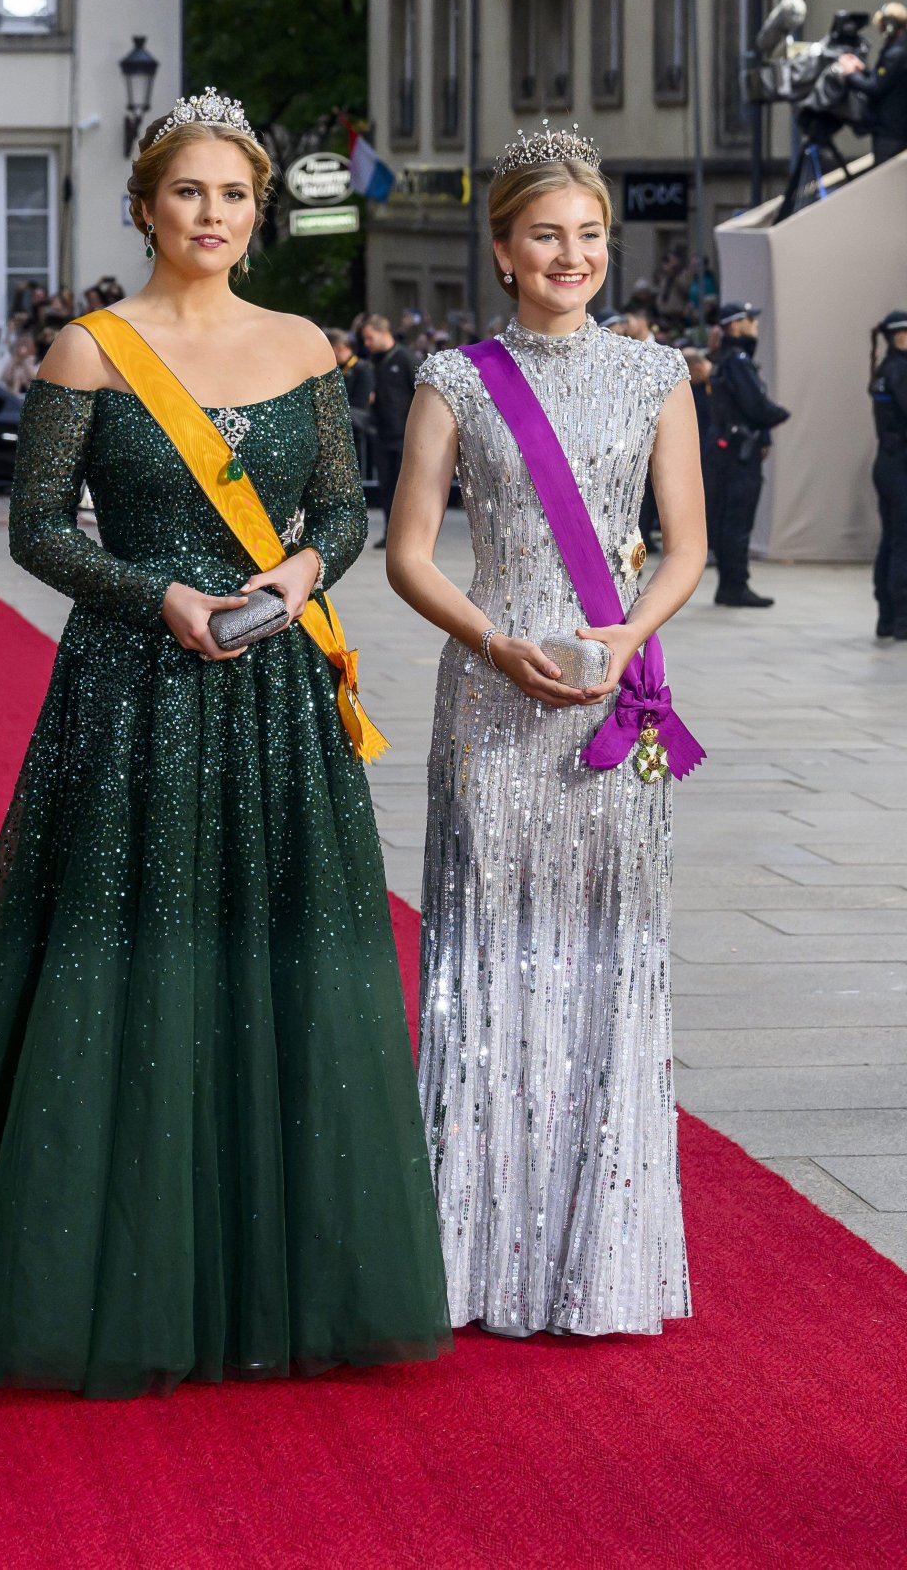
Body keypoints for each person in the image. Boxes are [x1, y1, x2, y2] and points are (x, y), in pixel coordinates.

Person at [0, 88, 451, 1399]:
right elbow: (40, 533)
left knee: (272, 947)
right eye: (188, 192)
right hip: (133, 689)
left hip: (274, 694)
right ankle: (97, 1251)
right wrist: (163, 595)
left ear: (259, 213)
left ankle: (269, 1257)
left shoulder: (305, 345)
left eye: (234, 195)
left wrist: (301, 577)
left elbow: (345, 514)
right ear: (144, 204)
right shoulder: (92, 349)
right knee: (118, 951)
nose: (211, 215)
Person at [387, 124, 706, 1337]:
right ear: (504, 249)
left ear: (606, 245)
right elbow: (408, 552)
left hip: (612, 704)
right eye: (544, 234)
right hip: (491, 697)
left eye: (587, 233)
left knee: (606, 952)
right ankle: (471, 1255)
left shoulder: (659, 373)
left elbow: (688, 545)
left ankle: (600, 1261)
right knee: (488, 955)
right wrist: (491, 640)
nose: (569, 252)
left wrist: (625, 641)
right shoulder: (455, 380)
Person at [706, 301, 790, 608]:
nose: (755, 324)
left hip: (730, 451)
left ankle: (731, 584)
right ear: (735, 325)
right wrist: (780, 415)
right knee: (737, 519)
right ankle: (734, 585)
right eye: (750, 319)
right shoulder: (737, 361)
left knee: (730, 518)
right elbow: (756, 406)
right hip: (737, 455)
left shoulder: (730, 359)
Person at [362, 314, 416, 548]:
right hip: (383, 433)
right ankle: (390, 532)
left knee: (405, 489)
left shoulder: (405, 358)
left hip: (404, 434)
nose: (367, 343)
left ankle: (409, 537)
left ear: (384, 333)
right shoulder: (375, 360)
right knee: (387, 487)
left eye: (370, 338)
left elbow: (417, 393)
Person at [870, 309, 907, 641]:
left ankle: (886, 617)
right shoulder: (900, 370)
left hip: (887, 463)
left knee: (892, 540)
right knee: (902, 542)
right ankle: (901, 620)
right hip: (900, 466)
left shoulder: (885, 368)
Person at [838, 3, 907, 167]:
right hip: (897, 130)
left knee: (885, 183)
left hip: (890, 133)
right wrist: (863, 70)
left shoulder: (895, 54)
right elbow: (884, 78)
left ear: (890, 26)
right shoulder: (900, 50)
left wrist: (850, 74)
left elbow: (875, 87)